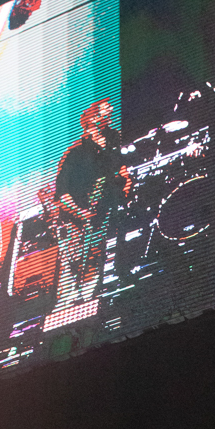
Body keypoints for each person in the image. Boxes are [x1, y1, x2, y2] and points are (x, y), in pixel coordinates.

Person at [54, 100, 130, 306]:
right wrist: (82, 214)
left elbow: (122, 169)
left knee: (103, 261)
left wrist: (125, 184)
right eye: (105, 114)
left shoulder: (113, 143)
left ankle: (101, 297)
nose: (110, 116)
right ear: (92, 120)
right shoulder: (74, 153)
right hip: (78, 223)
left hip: (106, 214)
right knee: (76, 269)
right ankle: (73, 304)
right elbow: (61, 194)